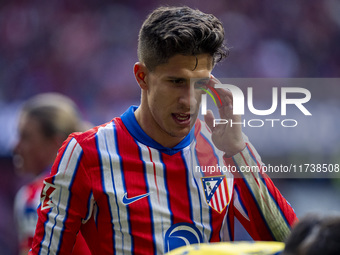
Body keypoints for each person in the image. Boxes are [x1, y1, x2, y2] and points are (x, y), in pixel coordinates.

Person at [29, 6, 297, 254]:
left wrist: (239, 153)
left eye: (201, 83)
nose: (189, 99)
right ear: (142, 77)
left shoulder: (223, 148)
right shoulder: (86, 153)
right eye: (176, 81)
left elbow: (294, 243)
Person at [13, 93, 92, 255]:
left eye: (26, 137)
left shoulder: (35, 196)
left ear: (56, 143)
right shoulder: (101, 183)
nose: (16, 146)